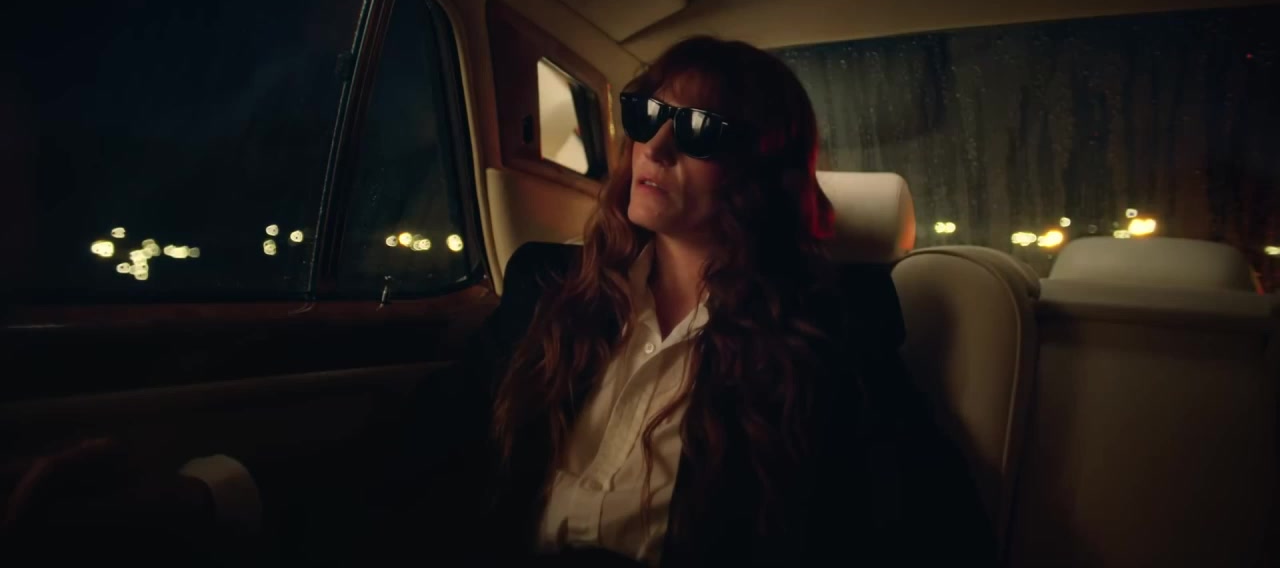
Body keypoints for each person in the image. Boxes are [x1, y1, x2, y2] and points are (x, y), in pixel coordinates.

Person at [3, 37, 994, 566]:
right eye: (646, 113)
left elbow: (923, 527)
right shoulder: (551, 293)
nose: (653, 144)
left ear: (762, 168)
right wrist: (197, 499)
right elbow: (412, 444)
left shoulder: (834, 323)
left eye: (697, 129)